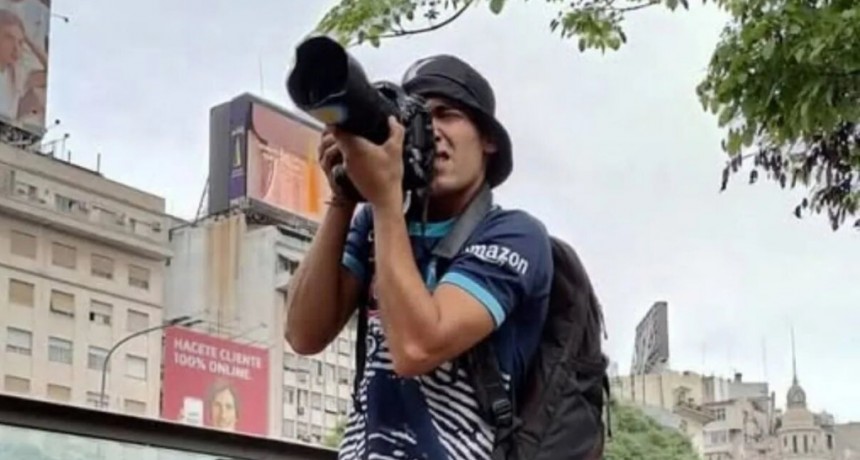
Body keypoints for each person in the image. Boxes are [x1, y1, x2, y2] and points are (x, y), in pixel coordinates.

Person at [284, 54, 553, 460]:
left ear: (489, 140)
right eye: (418, 119)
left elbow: (416, 349)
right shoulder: (378, 224)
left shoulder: (515, 235)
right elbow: (303, 334)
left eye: (446, 114)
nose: (431, 130)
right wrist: (344, 196)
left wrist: (385, 201)